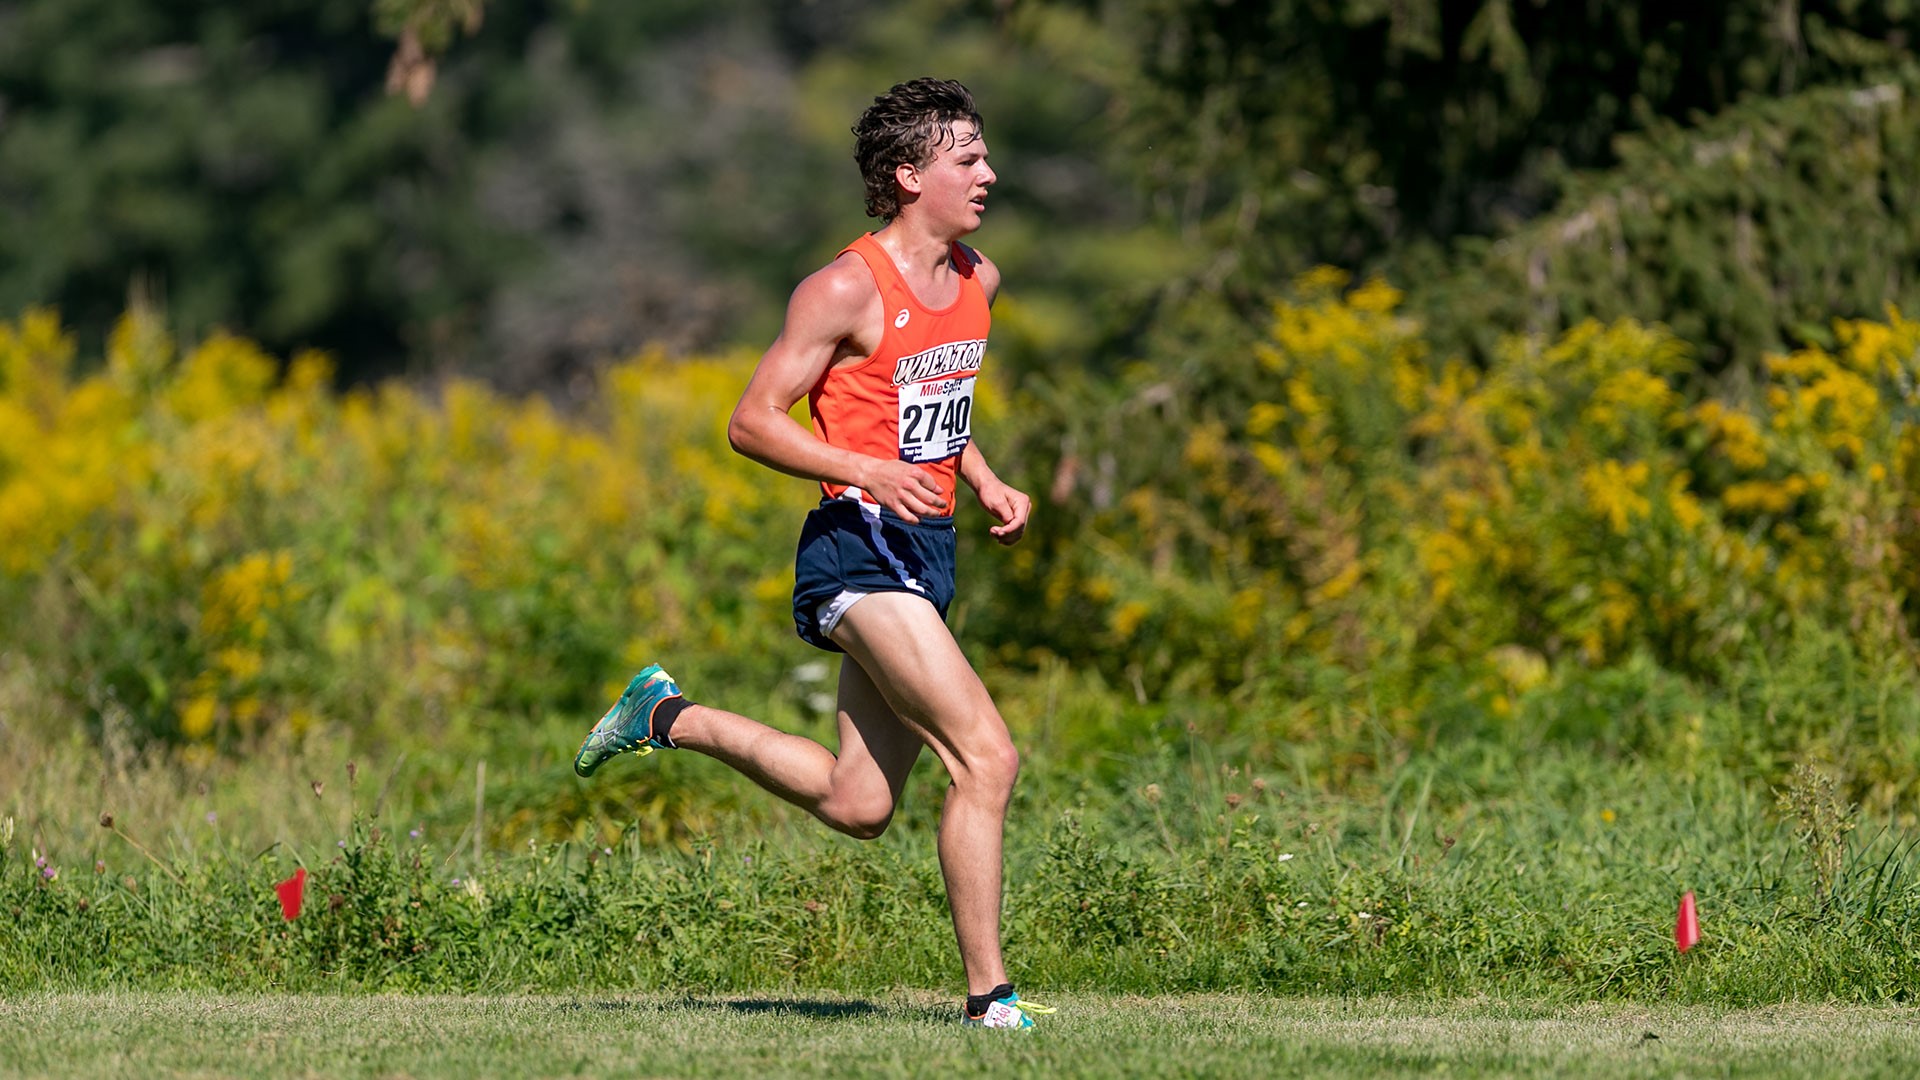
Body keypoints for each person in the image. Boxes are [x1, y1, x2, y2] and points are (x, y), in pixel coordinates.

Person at [573, 77, 1045, 1030]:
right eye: (968, 160)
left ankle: (669, 716)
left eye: (985, 156)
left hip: (929, 548)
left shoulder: (976, 278)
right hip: (857, 550)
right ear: (910, 175)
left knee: (858, 802)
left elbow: (932, 394)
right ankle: (991, 1002)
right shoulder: (841, 287)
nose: (989, 173)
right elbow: (752, 422)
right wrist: (868, 471)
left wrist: (981, 474)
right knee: (987, 759)